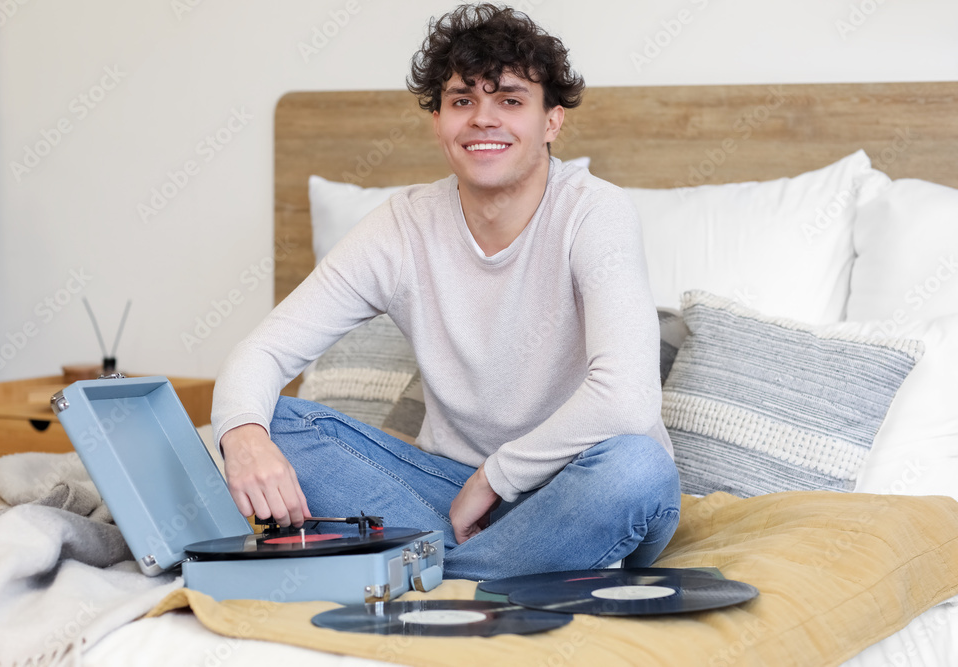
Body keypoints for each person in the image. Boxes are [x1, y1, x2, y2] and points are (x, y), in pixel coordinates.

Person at [211, 3, 680, 581]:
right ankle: (489, 567)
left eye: (510, 100)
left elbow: (628, 399)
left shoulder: (594, 211)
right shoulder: (402, 225)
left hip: (581, 489)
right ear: (438, 120)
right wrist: (245, 436)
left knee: (639, 469)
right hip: (443, 492)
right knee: (268, 423)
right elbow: (262, 353)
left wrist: (493, 480)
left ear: (551, 121)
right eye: (462, 100)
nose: (483, 119)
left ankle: (432, 571)